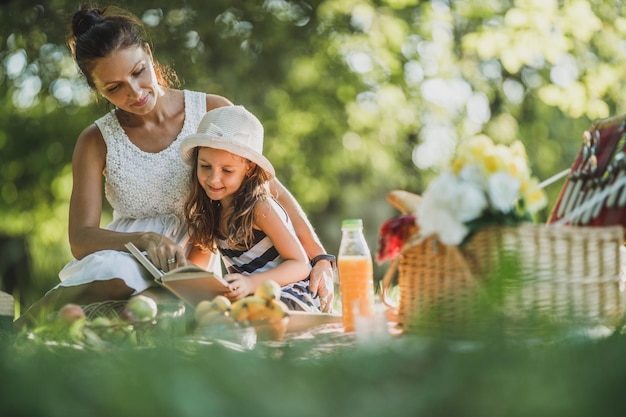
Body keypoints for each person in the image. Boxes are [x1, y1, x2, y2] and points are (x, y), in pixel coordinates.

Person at [16, 5, 333, 327]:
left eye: (138, 72)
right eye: (114, 88)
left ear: (149, 54)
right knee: (117, 276)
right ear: (96, 89)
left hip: (192, 258)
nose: (135, 92)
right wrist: (141, 240)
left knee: (169, 318)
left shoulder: (212, 111)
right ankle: (22, 328)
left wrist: (320, 257)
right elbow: (81, 239)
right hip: (125, 256)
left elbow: (269, 190)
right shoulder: (95, 140)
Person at [181, 105, 320, 311]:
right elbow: (198, 267)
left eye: (227, 170)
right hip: (249, 298)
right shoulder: (211, 211)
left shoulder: (260, 207)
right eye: (205, 166)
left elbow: (300, 265)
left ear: (249, 168)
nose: (213, 178)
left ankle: (320, 323)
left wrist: (250, 284)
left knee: (260, 318)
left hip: (288, 292)